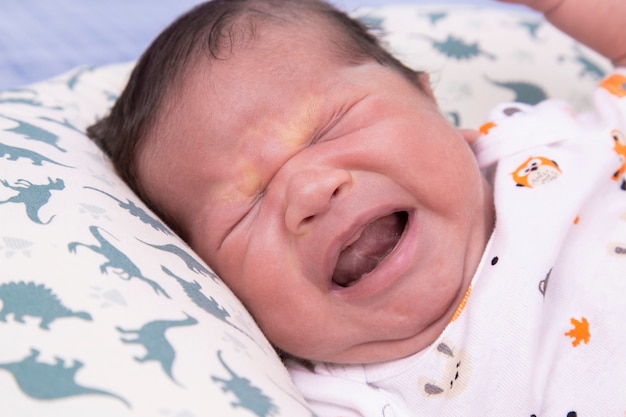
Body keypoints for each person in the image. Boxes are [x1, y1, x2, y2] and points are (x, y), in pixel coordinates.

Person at [87, 0, 626, 415]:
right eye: (244, 208)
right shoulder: (332, 398)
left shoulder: (548, 149)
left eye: (331, 125)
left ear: (431, 104)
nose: (309, 191)